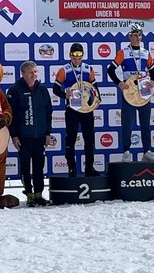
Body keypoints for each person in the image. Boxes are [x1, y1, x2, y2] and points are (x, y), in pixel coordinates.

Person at [107, 24, 154, 162]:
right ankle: (126, 151)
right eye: (135, 35)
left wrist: (153, 81)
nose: (137, 38)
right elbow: (110, 70)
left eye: (140, 35)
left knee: (145, 123)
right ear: (129, 36)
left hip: (143, 90)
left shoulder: (146, 52)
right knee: (127, 123)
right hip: (129, 91)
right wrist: (119, 83)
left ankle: (147, 151)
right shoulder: (123, 52)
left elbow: (153, 71)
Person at [7, 61, 52, 207]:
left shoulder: (42, 89)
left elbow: (48, 112)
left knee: (39, 166)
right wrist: (13, 135)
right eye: (31, 72)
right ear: (23, 73)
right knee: (25, 166)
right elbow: (11, 116)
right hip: (23, 137)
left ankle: (39, 194)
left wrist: (47, 133)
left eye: (36, 71)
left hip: (40, 136)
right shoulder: (14, 90)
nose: (34, 74)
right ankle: (29, 194)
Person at [53, 42, 101, 177]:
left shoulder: (88, 68)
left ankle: (89, 168)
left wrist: (97, 99)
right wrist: (64, 95)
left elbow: (95, 88)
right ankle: (71, 168)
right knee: (71, 138)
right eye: (74, 56)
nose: (76, 59)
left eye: (79, 56)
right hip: (72, 109)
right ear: (70, 55)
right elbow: (55, 88)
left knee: (89, 138)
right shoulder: (64, 70)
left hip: (86, 109)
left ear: (83, 56)